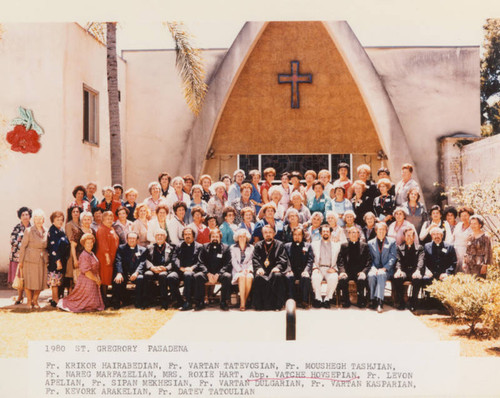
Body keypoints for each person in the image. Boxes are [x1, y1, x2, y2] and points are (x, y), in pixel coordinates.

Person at [57, 233, 104, 312]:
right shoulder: (84, 255)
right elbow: (87, 272)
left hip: (93, 280)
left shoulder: (92, 253)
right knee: (84, 303)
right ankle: (64, 304)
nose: (90, 244)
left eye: (91, 242)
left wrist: (97, 278)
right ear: (84, 244)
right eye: (87, 243)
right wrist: (97, 280)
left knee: (94, 305)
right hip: (86, 281)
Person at [252, 225, 289, 311]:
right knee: (258, 277)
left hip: (274, 271)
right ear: (262, 234)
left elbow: (283, 259)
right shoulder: (258, 245)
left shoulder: (280, 245)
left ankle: (277, 305)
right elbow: (255, 258)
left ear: (274, 233)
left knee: (277, 276)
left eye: (270, 232)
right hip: (263, 271)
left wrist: (278, 267)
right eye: (265, 232)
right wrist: (258, 268)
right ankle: (260, 305)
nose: (268, 234)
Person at [18, 209, 48, 310]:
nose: (39, 221)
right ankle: (29, 301)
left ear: (43, 220)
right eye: (36, 218)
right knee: (29, 281)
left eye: (40, 218)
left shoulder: (46, 230)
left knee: (40, 282)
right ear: (34, 220)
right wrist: (20, 261)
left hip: (42, 259)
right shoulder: (29, 230)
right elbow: (23, 247)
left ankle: (35, 300)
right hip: (29, 259)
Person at [198, 228, 232, 310]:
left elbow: (228, 263)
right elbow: (200, 262)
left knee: (227, 276)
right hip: (207, 273)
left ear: (220, 238)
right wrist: (207, 273)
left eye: (217, 236)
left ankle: (223, 301)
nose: (215, 238)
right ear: (210, 238)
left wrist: (219, 274)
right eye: (213, 236)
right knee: (198, 276)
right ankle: (199, 302)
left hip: (220, 273)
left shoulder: (226, 248)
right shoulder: (204, 247)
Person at [112, 232, 148, 309]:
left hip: (136, 273)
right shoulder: (121, 248)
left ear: (137, 240)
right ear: (127, 239)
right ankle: (117, 302)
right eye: (130, 238)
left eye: (133, 238)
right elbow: (118, 261)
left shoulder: (143, 250)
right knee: (117, 279)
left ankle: (138, 302)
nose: (131, 240)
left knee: (140, 279)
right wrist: (119, 272)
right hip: (124, 272)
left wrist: (136, 273)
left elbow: (142, 263)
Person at [172, 227, 205, 311]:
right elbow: (175, 258)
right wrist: (180, 268)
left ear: (193, 236)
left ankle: (188, 301)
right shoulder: (179, 246)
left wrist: (192, 268)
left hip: (193, 271)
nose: (187, 236)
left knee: (188, 275)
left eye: (189, 234)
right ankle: (179, 300)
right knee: (171, 277)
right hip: (181, 270)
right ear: (183, 236)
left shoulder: (199, 246)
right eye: (185, 234)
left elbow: (201, 260)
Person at [337, 226, 371, 308]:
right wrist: (342, 272)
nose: (354, 235)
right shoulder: (344, 246)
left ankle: (361, 301)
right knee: (343, 279)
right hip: (347, 272)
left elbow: (368, 261)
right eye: (352, 233)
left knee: (361, 279)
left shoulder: (364, 246)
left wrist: (363, 272)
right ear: (348, 234)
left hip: (359, 272)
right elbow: (340, 261)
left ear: (359, 234)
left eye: (356, 233)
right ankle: (346, 301)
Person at [367, 222, 397, 313]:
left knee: (381, 274)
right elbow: (369, 259)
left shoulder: (392, 242)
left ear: (386, 231)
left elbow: (393, 257)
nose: (381, 231)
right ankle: (372, 299)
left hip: (387, 270)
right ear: (376, 231)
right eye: (379, 230)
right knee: (371, 276)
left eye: (383, 229)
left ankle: (380, 302)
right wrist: (373, 268)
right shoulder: (370, 243)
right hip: (374, 268)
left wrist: (385, 268)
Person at [394, 227, 425, 311]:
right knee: (398, 278)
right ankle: (401, 302)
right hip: (404, 271)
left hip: (415, 271)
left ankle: (413, 302)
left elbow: (420, 260)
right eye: (407, 235)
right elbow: (398, 261)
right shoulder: (399, 248)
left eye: (411, 235)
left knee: (417, 279)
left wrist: (418, 270)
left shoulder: (419, 248)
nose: (409, 237)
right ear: (404, 236)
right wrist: (398, 270)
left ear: (414, 236)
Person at [310, 225, 341, 309]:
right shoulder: (314, 244)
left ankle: (327, 298)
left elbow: (339, 259)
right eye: (324, 231)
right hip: (318, 268)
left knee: (334, 278)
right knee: (315, 277)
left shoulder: (337, 245)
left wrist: (334, 269)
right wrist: (315, 268)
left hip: (330, 268)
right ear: (320, 233)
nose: (325, 233)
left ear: (330, 233)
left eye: (327, 231)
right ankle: (318, 299)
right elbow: (311, 258)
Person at [284, 226, 314, 308]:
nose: (297, 236)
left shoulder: (308, 246)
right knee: (289, 277)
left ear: (302, 236)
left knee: (306, 277)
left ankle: (304, 301)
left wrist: (306, 270)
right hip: (291, 270)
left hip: (303, 270)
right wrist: (289, 269)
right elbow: (285, 260)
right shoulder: (287, 246)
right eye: (295, 234)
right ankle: (291, 300)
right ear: (292, 235)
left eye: (299, 234)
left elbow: (310, 260)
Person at [144, 229, 174, 309]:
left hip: (164, 270)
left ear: (165, 237)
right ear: (155, 237)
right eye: (157, 235)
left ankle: (164, 301)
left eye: (162, 235)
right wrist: (152, 267)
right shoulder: (150, 247)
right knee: (147, 274)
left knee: (162, 275)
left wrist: (165, 268)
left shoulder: (171, 247)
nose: (159, 237)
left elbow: (173, 261)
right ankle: (149, 300)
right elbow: (146, 259)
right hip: (153, 270)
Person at [96, 210, 120, 304]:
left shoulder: (111, 228)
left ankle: (107, 299)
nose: (110, 220)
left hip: (112, 256)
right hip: (104, 257)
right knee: (104, 278)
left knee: (108, 277)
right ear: (103, 219)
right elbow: (103, 244)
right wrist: (107, 256)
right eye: (107, 218)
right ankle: (103, 300)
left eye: (111, 218)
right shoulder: (102, 229)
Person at [9, 206, 32, 304]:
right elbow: (13, 241)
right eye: (23, 215)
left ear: (30, 216)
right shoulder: (17, 228)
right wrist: (23, 246)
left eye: (27, 214)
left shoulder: (33, 228)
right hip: (17, 257)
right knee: (19, 276)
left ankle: (30, 298)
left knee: (29, 277)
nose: (25, 216)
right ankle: (20, 296)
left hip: (30, 257)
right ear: (20, 217)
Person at [47, 211, 70, 307]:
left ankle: (57, 298)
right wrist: (57, 261)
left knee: (59, 279)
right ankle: (55, 299)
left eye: (61, 220)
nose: (60, 222)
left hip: (63, 259)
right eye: (57, 220)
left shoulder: (61, 230)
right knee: (55, 280)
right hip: (56, 260)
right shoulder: (53, 231)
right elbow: (53, 247)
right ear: (53, 221)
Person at [230, 229, 254, 311]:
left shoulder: (251, 247)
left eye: (244, 236)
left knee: (249, 277)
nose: (242, 238)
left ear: (246, 237)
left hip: (247, 269)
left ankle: (243, 300)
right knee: (242, 277)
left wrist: (248, 269)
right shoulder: (233, 248)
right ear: (237, 238)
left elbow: (251, 261)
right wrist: (240, 270)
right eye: (240, 236)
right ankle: (243, 303)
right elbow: (233, 261)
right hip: (237, 270)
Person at [452, 206, 474, 272]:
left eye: (465, 215)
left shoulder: (472, 227)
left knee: (464, 270)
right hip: (455, 251)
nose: (463, 218)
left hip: (465, 252)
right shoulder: (458, 225)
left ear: (470, 216)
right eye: (462, 216)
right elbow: (453, 237)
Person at [64, 206, 81, 290]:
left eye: (77, 212)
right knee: (71, 273)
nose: (75, 213)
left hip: (81, 250)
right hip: (72, 250)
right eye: (74, 212)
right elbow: (70, 238)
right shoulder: (69, 225)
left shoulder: (81, 223)